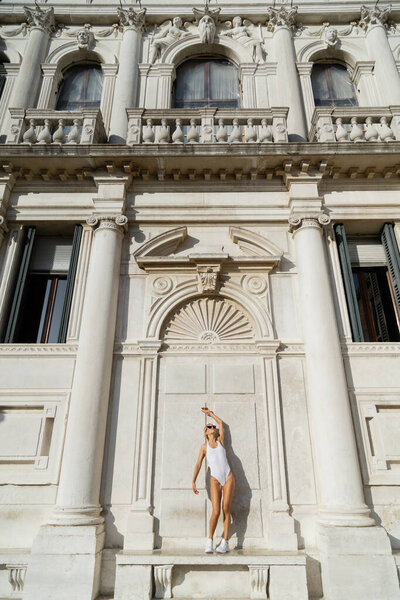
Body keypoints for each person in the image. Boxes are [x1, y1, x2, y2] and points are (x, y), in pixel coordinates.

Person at [192, 407, 235, 554]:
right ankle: (209, 541)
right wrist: (193, 481)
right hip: (214, 479)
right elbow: (198, 464)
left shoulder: (220, 440)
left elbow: (222, 424)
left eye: (213, 427)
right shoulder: (204, 447)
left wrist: (210, 414)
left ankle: (225, 542)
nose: (213, 428)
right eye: (209, 427)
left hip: (228, 476)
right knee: (216, 511)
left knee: (226, 509)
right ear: (205, 432)